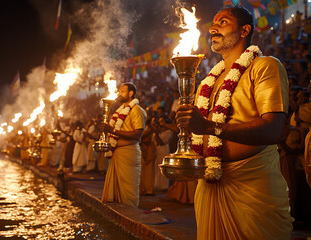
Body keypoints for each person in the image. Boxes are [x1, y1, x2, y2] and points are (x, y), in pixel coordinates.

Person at [175, 5, 293, 239]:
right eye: (214, 23)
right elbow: (200, 133)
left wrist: (209, 127)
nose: (213, 28)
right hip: (209, 187)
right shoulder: (208, 80)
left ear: (244, 30)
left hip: (253, 188)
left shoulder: (265, 66)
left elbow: (274, 129)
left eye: (223, 22)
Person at [101, 83, 147, 207]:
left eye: (122, 91)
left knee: (128, 192)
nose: (118, 94)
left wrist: (112, 131)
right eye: (119, 91)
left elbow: (137, 135)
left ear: (130, 93)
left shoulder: (137, 110)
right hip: (117, 154)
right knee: (114, 193)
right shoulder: (119, 110)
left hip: (129, 153)